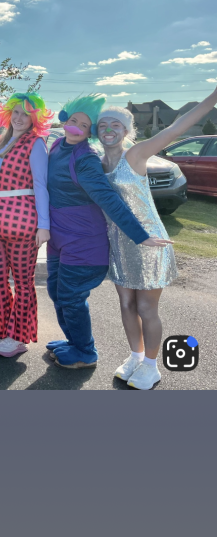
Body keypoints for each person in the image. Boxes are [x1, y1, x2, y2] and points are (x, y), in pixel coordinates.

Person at [98, 83, 217, 389]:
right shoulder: (98, 164)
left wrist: (213, 97)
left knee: (146, 308)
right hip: (118, 244)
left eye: (115, 125)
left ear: (126, 130)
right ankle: (135, 357)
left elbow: (177, 127)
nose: (108, 129)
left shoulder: (136, 154)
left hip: (149, 243)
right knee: (126, 303)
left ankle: (151, 366)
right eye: (103, 125)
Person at [46, 94, 171, 370]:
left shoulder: (86, 159)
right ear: (64, 119)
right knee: (56, 293)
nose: (76, 127)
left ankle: (85, 351)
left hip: (84, 243)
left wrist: (140, 235)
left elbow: (108, 199)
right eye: (74, 120)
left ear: (89, 132)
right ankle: (73, 341)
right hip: (58, 239)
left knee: (71, 298)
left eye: (84, 125)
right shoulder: (56, 146)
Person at [0, 92, 52, 358]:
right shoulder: (0, 141)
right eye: (16, 112)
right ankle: (2, 331)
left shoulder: (36, 143)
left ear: (36, 119)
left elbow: (40, 185)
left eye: (26, 114)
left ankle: (18, 337)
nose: (20, 118)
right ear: (8, 113)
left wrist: (44, 225)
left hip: (22, 223)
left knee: (23, 283)